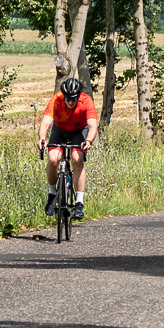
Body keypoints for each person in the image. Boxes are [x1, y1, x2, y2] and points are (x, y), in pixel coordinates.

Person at [38, 75, 98, 221]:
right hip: (60, 130)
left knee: (77, 159)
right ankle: (52, 194)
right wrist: (42, 138)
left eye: (73, 99)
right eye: (68, 99)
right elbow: (45, 123)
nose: (70, 102)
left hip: (79, 131)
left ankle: (79, 203)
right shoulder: (56, 99)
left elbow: (92, 125)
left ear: (79, 96)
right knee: (53, 159)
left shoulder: (86, 101)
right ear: (63, 96)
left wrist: (88, 141)